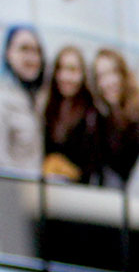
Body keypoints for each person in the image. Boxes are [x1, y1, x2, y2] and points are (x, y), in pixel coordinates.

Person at [41, 45, 104, 184]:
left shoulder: (92, 115)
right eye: (61, 69)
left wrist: (63, 168)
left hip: (74, 194)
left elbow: (93, 168)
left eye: (72, 70)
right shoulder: (48, 107)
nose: (65, 77)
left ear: (83, 74)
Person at [92, 47, 139, 189]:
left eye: (112, 73)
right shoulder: (103, 115)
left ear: (123, 74)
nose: (108, 82)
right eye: (101, 76)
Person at [0, 24, 44, 174]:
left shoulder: (33, 99)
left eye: (36, 51)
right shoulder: (3, 99)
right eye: (24, 49)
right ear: (8, 53)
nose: (32, 58)